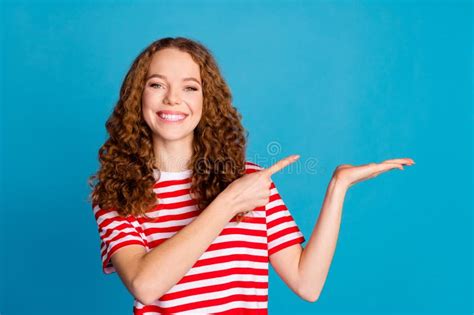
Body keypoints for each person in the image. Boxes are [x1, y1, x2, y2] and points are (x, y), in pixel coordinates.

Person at [88, 36, 415, 315]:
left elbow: (307, 283)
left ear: (207, 101)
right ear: (138, 97)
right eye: (157, 84)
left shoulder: (250, 182)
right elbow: (146, 285)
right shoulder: (115, 193)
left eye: (190, 87)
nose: (173, 98)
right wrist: (227, 204)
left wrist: (338, 187)